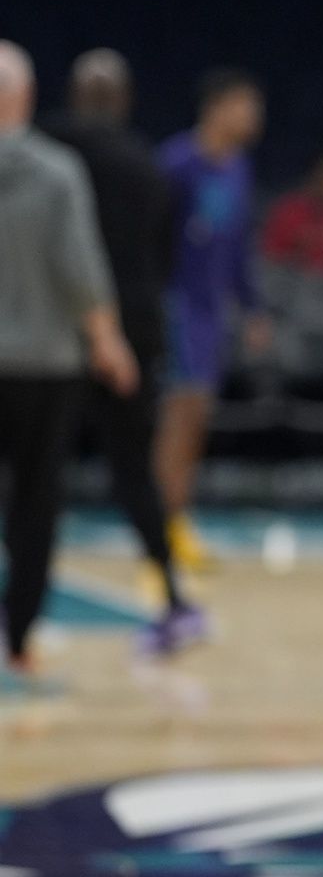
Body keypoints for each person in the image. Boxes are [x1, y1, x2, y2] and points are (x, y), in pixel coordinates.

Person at [41, 50, 206, 655]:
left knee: (32, 470)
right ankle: (172, 597)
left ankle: (18, 614)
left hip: (53, 331)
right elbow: (161, 263)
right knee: (135, 470)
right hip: (133, 334)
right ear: (127, 100)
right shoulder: (147, 168)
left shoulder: (46, 152)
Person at [0, 41, 139, 694]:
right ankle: (19, 638)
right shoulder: (57, 173)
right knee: (36, 502)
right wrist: (108, 341)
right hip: (46, 365)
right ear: (23, 97)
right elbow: (80, 270)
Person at [155, 68, 270, 573]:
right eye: (246, 105)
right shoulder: (177, 164)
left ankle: (178, 520)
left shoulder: (238, 169)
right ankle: (159, 524)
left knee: (196, 419)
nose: (254, 117)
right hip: (176, 305)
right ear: (218, 107)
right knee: (178, 415)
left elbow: (238, 249)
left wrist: (252, 307)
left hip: (212, 312)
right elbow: (152, 236)